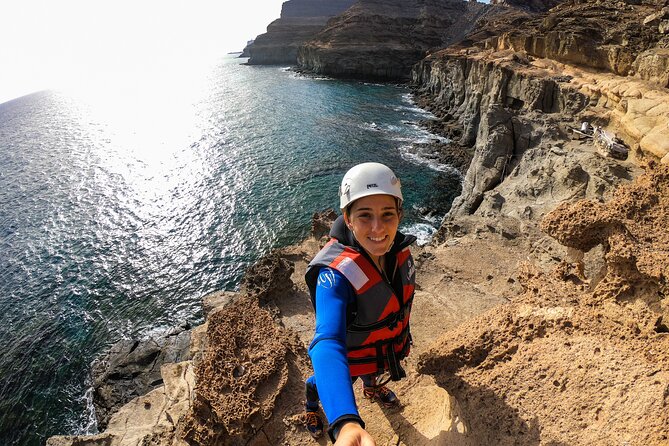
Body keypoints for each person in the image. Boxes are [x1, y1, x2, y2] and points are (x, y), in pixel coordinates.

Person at [304, 162, 416, 444]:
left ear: (399, 215)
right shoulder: (334, 275)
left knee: (373, 370)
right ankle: (311, 406)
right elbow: (327, 341)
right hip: (350, 359)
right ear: (348, 218)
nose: (378, 228)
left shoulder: (398, 252)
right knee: (317, 382)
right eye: (365, 216)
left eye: (387, 214)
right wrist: (345, 422)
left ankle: (371, 388)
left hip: (380, 350)